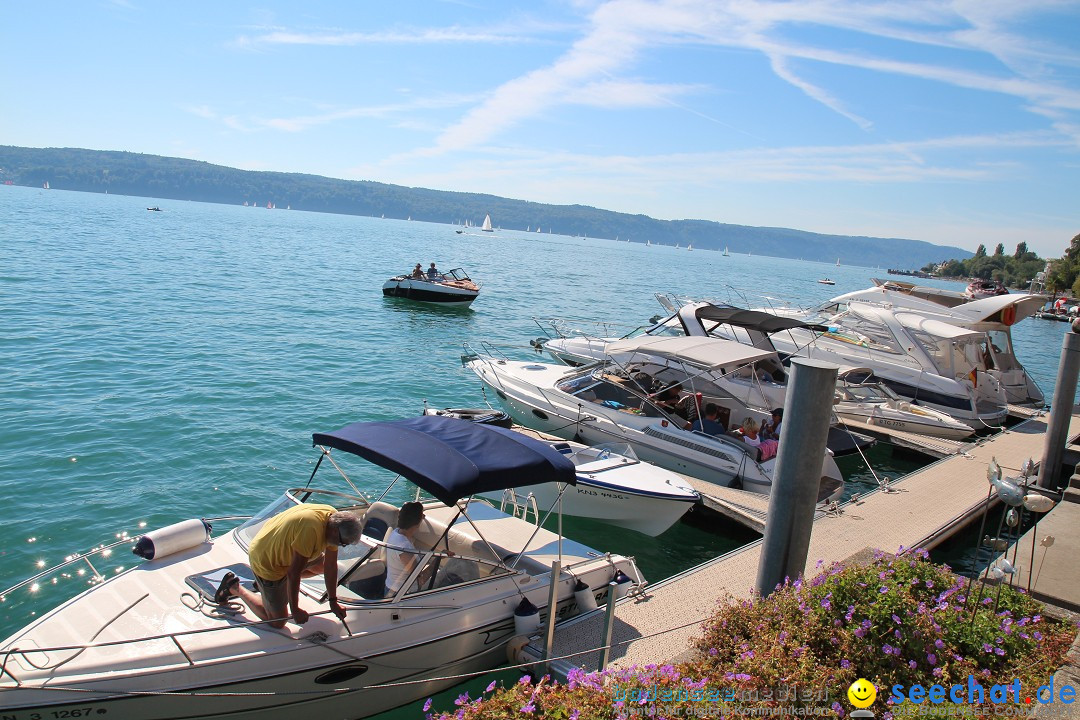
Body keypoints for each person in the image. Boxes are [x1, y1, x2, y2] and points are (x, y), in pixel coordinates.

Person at [215, 504, 362, 628]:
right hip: (267, 560)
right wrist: (295, 609)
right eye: (343, 543)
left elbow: (330, 566)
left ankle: (275, 586)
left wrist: (333, 601)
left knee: (322, 567)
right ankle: (235, 588)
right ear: (335, 531)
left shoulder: (333, 517)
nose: (341, 546)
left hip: (282, 548)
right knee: (278, 621)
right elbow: (294, 573)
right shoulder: (311, 530)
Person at [385, 502, 451, 596]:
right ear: (417, 523)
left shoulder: (395, 533)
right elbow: (421, 579)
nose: (424, 516)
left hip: (390, 589)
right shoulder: (404, 548)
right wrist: (438, 558)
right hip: (403, 595)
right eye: (422, 515)